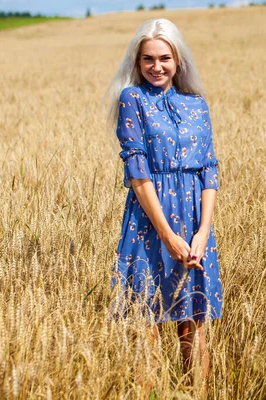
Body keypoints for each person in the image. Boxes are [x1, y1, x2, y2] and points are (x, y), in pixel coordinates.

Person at [104, 18, 223, 389]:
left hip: (194, 221)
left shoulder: (197, 104)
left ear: (178, 61)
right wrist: (168, 235)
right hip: (149, 220)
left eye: (164, 58)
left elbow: (209, 169)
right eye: (147, 59)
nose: (156, 66)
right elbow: (138, 173)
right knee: (148, 322)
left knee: (193, 322)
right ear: (137, 64)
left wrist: (203, 231)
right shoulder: (132, 99)